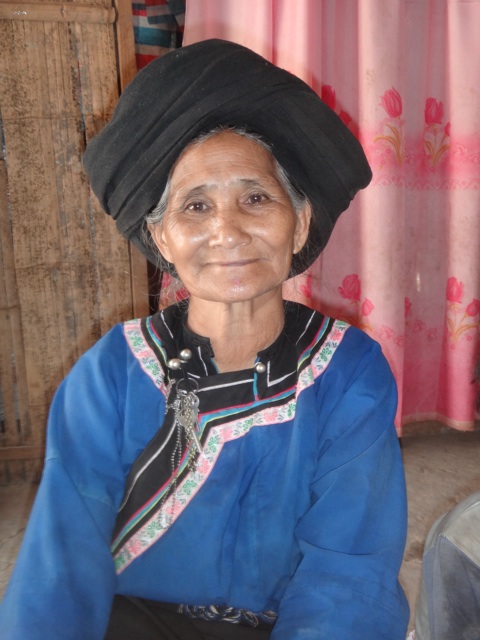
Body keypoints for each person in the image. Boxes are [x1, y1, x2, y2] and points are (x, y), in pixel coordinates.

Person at [0, 39, 409, 639]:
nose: (226, 229)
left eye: (256, 197)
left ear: (299, 223)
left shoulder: (348, 371)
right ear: (162, 240)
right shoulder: (111, 371)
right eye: (195, 206)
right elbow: (63, 561)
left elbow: (348, 570)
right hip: (133, 619)